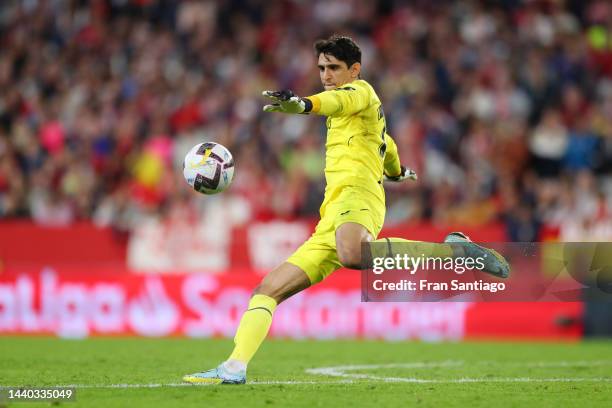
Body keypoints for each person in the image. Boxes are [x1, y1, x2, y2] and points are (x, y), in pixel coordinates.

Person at [183, 35, 509, 385]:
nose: (326, 75)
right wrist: (399, 172)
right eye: (322, 68)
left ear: (354, 70)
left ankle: (456, 251)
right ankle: (234, 367)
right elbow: (388, 145)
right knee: (267, 290)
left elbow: (335, 102)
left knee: (353, 253)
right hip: (332, 216)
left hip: (360, 198)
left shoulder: (360, 93)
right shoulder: (357, 116)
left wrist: (303, 105)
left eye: (334, 68)